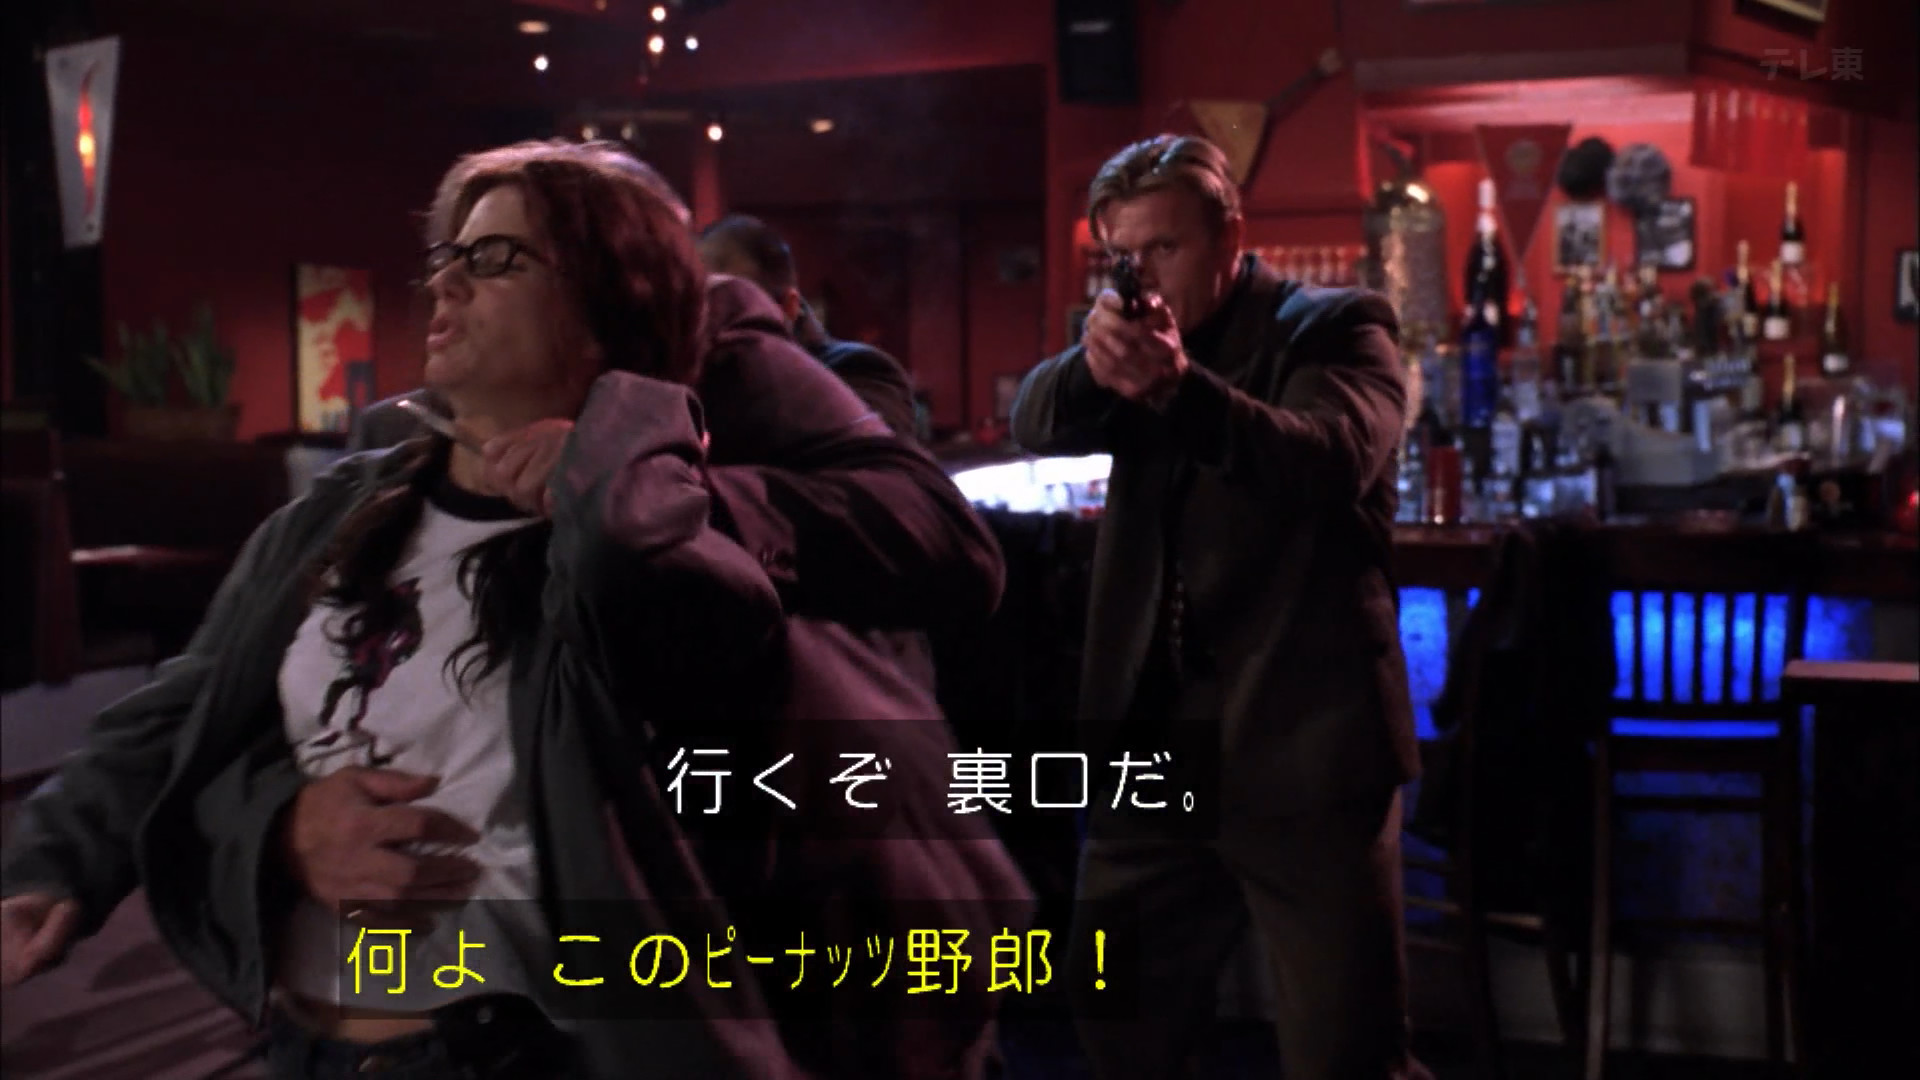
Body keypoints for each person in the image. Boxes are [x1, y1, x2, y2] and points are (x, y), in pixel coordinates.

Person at [2, 140, 1023, 1080]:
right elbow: (188, 707)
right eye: (448, 255)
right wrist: (59, 864)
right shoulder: (340, 511)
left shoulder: (635, 543)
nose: (445, 281)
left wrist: (618, 460)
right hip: (307, 1044)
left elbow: (862, 547)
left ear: (606, 306)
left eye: (496, 259)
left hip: (512, 1050)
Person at [1009, 134, 1428, 1080]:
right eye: (1125, 254)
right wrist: (1092, 362)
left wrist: (1180, 390)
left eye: (1166, 247)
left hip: (1303, 739)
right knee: (1115, 1017)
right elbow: (1035, 418)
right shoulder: (1135, 341)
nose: (1145, 273)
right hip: (1156, 744)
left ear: (1230, 236)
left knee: (1346, 1054)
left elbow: (1327, 458)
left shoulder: (1335, 326)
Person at [696, 213, 920, 442]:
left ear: (789, 307)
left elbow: (870, 456)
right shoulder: (697, 375)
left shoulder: (859, 370)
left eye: (735, 311)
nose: (716, 326)